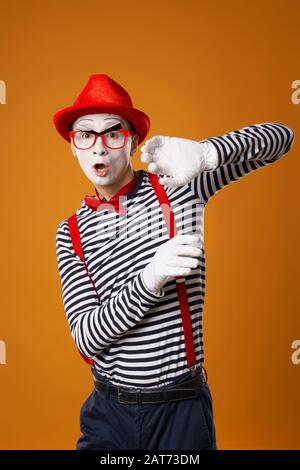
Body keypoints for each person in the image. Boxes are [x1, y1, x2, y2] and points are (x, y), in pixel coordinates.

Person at [54, 74, 295, 450]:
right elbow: (87, 338)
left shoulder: (179, 186)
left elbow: (280, 139)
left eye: (113, 133)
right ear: (73, 146)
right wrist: (150, 280)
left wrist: (207, 154)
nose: (98, 148)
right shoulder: (70, 232)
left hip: (180, 412)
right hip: (108, 415)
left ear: (132, 141)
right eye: (85, 135)